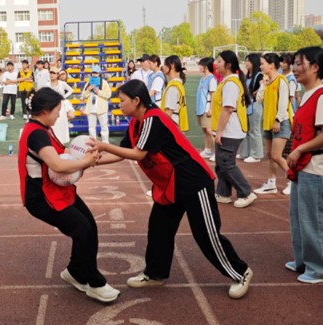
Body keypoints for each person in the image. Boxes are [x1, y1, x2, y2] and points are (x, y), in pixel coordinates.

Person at [88, 79, 253, 299]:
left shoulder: (152, 119)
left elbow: (138, 154)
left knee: (206, 235)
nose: (119, 105)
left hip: (193, 181)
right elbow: (123, 151)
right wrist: (94, 161)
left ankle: (241, 272)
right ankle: (155, 274)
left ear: (136, 101)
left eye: (122, 100)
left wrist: (103, 146)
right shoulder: (136, 123)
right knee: (159, 228)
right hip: (171, 184)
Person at [18, 87, 120, 303]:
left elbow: (69, 158)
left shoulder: (43, 129)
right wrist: (86, 161)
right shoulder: (36, 133)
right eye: (57, 110)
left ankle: (75, 272)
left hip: (57, 191)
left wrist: (124, 155)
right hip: (41, 197)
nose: (59, 115)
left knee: (89, 226)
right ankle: (95, 283)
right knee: (83, 230)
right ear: (45, 111)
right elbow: (57, 165)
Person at [286, 46, 323, 284]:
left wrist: (300, 149)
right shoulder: (307, 94)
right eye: (295, 63)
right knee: (298, 217)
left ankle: (317, 268)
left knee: (312, 219)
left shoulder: (321, 95)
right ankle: (302, 260)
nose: (295, 68)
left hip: (315, 166)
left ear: (315, 67)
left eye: (300, 63)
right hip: (302, 166)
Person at [212, 50, 257, 208]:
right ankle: (223, 193)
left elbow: (228, 109)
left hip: (230, 130)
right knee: (221, 163)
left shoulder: (231, 83)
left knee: (226, 163)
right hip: (227, 130)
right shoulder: (228, 81)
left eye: (219, 61)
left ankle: (246, 192)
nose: (216, 64)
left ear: (228, 64)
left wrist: (219, 132)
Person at [254, 53, 294, 196]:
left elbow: (283, 103)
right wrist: (263, 85)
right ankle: (271, 183)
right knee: (270, 155)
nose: (260, 66)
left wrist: (278, 120)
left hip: (280, 122)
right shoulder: (267, 81)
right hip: (268, 123)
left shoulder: (281, 81)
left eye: (262, 63)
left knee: (277, 155)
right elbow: (259, 99)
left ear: (271, 65)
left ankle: (294, 180)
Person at [238, 54, 264, 163]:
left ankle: (256, 155)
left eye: (248, 61)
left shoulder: (259, 75)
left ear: (254, 62)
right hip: (247, 105)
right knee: (246, 130)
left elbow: (264, 86)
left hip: (255, 105)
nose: (246, 63)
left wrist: (256, 92)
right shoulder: (247, 75)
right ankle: (245, 152)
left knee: (254, 130)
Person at [83, 65, 111, 143]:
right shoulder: (88, 83)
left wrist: (98, 92)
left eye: (96, 73)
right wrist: (88, 90)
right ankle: (93, 143)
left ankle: (105, 143)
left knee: (104, 126)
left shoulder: (104, 83)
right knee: (91, 127)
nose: (94, 74)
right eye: (93, 73)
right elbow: (83, 95)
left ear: (99, 73)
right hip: (91, 108)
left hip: (102, 108)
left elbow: (108, 95)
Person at [196, 58, 218, 159]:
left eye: (201, 65)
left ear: (206, 66)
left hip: (207, 108)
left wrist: (211, 109)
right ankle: (207, 149)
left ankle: (217, 152)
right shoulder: (202, 78)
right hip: (201, 108)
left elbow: (213, 95)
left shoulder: (211, 79)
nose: (200, 67)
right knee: (205, 130)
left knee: (210, 130)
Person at [161, 55, 189, 132]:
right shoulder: (179, 84)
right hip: (177, 122)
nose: (163, 67)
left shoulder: (173, 87)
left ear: (172, 66)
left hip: (172, 125)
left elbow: (168, 112)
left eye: (165, 64)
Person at [50, 67, 75, 144]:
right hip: (51, 105)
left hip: (61, 105)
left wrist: (64, 96)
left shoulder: (62, 83)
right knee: (54, 124)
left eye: (53, 73)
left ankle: (62, 142)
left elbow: (71, 90)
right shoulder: (47, 84)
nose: (52, 75)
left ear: (57, 75)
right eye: (51, 73)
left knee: (62, 122)